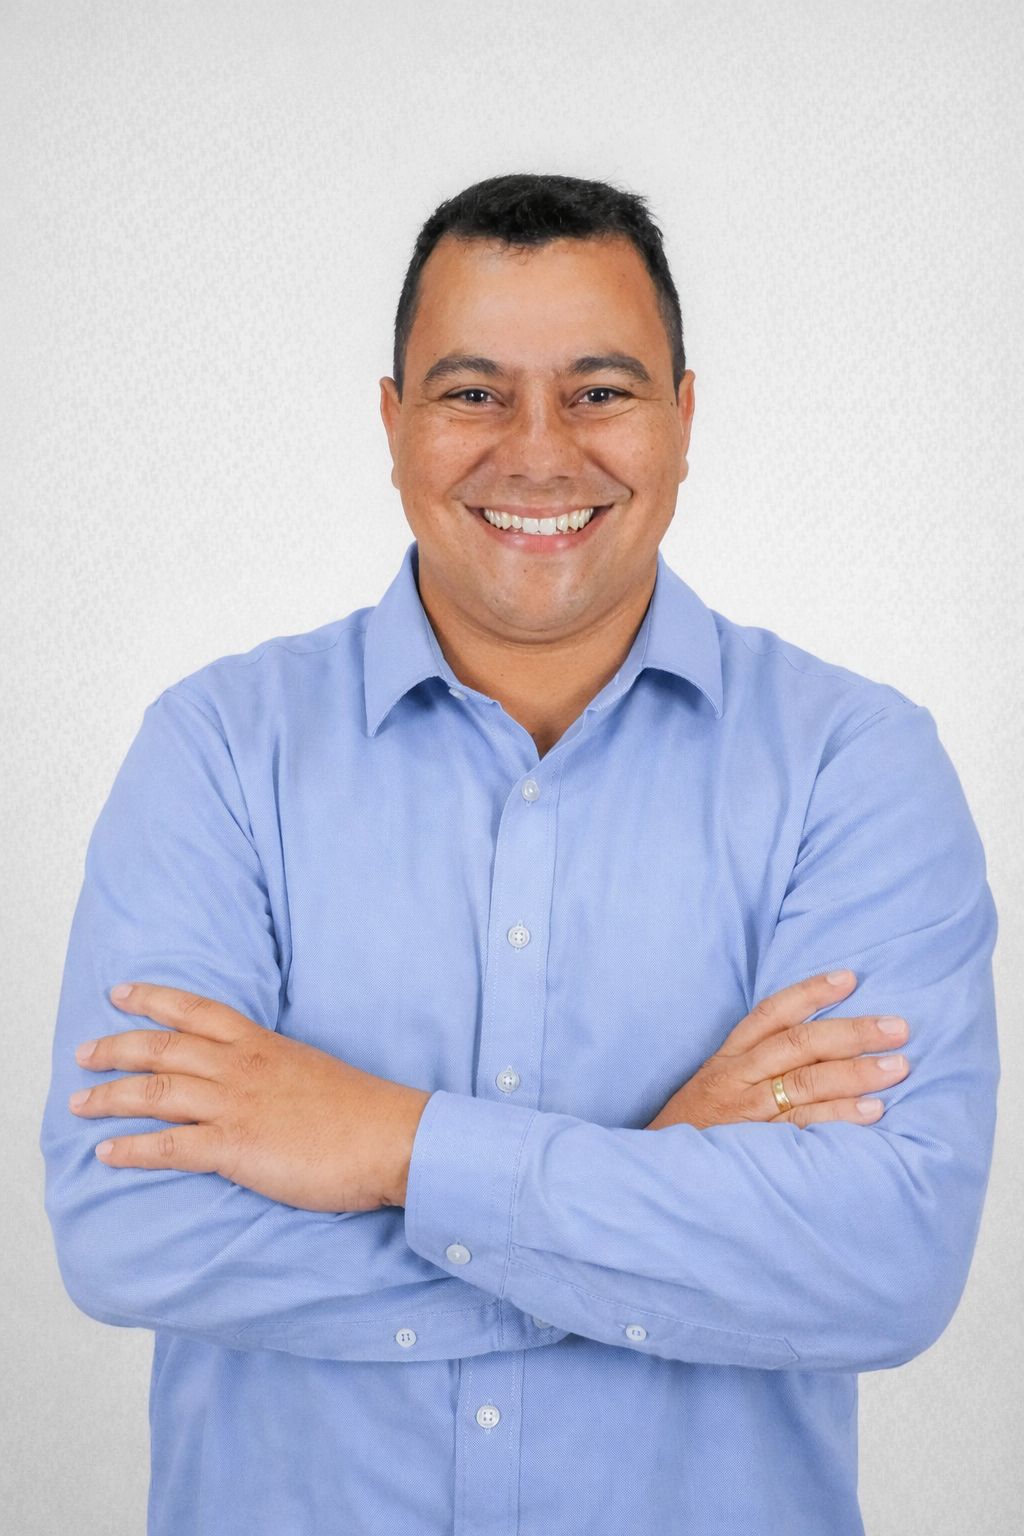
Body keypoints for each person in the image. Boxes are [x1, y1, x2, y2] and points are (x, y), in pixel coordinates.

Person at [42, 174, 998, 1536]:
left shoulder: (856, 766)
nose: (538, 453)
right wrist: (658, 1184)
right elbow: (131, 1228)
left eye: (600, 391)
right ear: (393, 424)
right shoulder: (219, 753)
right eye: (473, 392)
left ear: (683, 417)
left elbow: (881, 1262)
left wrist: (387, 1143)